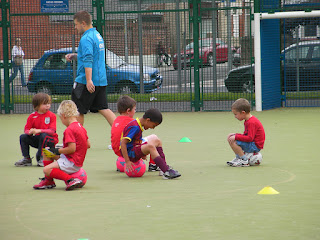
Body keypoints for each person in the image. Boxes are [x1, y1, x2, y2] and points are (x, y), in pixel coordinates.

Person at [65, 10, 116, 126]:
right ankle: (122, 135)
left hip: (86, 81)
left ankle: (78, 141)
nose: (75, 27)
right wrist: (74, 56)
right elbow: (92, 57)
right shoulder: (97, 36)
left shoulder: (86, 38)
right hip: (100, 81)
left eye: (76, 24)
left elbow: (89, 59)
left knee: (77, 111)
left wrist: (88, 80)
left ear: (83, 23)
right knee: (104, 108)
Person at [33, 100, 91, 191]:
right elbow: (88, 145)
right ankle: (49, 182)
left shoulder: (69, 129)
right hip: (76, 161)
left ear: (63, 116)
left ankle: (70, 180)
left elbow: (72, 149)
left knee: (46, 170)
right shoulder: (80, 127)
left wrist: (57, 151)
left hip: (71, 162)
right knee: (46, 152)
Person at [120, 108, 181, 179]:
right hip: (130, 154)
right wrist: (127, 161)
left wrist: (141, 152)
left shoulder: (138, 125)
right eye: (153, 125)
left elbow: (135, 141)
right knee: (150, 147)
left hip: (133, 150)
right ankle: (166, 171)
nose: (153, 128)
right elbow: (123, 143)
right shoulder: (135, 127)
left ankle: (163, 167)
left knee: (157, 141)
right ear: (148, 120)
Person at [111, 95, 159, 172]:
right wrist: (142, 153)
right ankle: (153, 165)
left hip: (117, 149)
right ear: (128, 111)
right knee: (154, 138)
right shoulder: (132, 123)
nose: (135, 111)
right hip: (127, 149)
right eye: (134, 109)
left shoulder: (116, 120)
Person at [14, 93, 59, 167]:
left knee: (43, 135)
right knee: (23, 137)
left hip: (50, 141)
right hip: (39, 140)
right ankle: (27, 159)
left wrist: (39, 130)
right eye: (45, 103)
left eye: (49, 103)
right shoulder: (32, 116)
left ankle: (42, 157)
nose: (48, 105)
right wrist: (30, 132)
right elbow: (26, 129)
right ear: (37, 106)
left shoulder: (52, 115)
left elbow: (52, 131)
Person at [227, 98, 265, 167]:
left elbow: (250, 138)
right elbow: (246, 135)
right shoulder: (247, 121)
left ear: (243, 112)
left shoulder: (251, 122)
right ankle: (238, 158)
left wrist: (236, 136)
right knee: (230, 137)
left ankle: (244, 160)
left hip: (255, 146)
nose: (235, 117)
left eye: (236, 114)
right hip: (252, 143)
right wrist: (235, 135)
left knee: (233, 141)